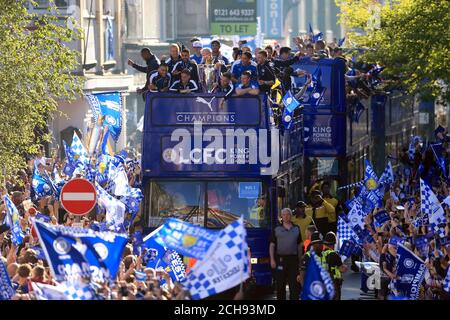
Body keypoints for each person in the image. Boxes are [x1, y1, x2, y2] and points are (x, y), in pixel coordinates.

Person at [269, 208, 303, 300]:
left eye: (288, 214)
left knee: (294, 285)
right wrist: (272, 259)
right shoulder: (277, 229)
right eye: (284, 214)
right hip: (280, 260)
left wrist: (300, 260)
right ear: (281, 216)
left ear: (291, 216)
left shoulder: (296, 228)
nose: (286, 216)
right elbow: (272, 245)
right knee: (280, 285)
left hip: (293, 260)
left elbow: (299, 245)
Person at [322, 232, 347, 300]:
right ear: (333, 244)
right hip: (333, 283)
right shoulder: (334, 255)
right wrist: (345, 267)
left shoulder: (321, 254)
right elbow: (342, 269)